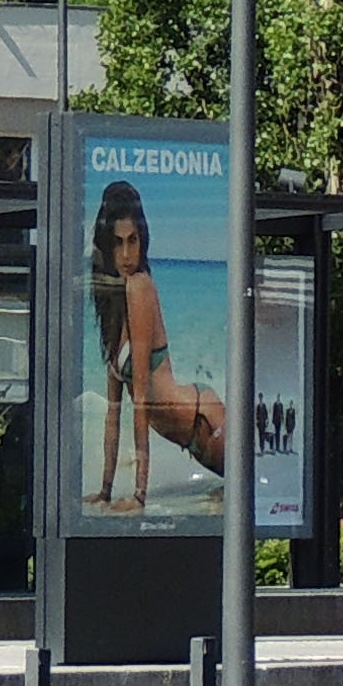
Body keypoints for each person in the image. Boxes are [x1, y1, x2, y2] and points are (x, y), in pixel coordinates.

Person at [84, 182, 221, 512]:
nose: (126, 255)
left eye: (133, 241)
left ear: (142, 240)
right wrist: (104, 491)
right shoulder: (113, 309)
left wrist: (139, 496)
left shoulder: (139, 286)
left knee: (258, 492)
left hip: (203, 421)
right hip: (192, 431)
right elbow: (113, 414)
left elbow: (142, 403)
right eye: (118, 243)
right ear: (106, 245)